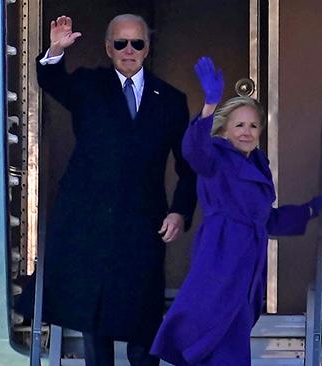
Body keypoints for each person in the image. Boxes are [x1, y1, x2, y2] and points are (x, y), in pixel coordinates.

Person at [30, 14, 197, 366]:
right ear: (108, 48)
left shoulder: (169, 99)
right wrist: (56, 51)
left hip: (144, 222)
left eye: (137, 43)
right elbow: (52, 81)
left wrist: (180, 211)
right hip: (94, 220)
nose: (129, 50)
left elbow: (188, 165)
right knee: (96, 316)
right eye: (120, 43)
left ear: (146, 48)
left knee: (143, 316)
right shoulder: (89, 85)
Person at [150, 57, 322, 366]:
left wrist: (310, 210)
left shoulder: (257, 165)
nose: (246, 132)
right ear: (225, 130)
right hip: (220, 258)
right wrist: (209, 104)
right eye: (239, 125)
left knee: (231, 340)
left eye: (253, 125)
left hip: (248, 265)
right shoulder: (216, 158)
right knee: (214, 337)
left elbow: (267, 219)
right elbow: (194, 149)